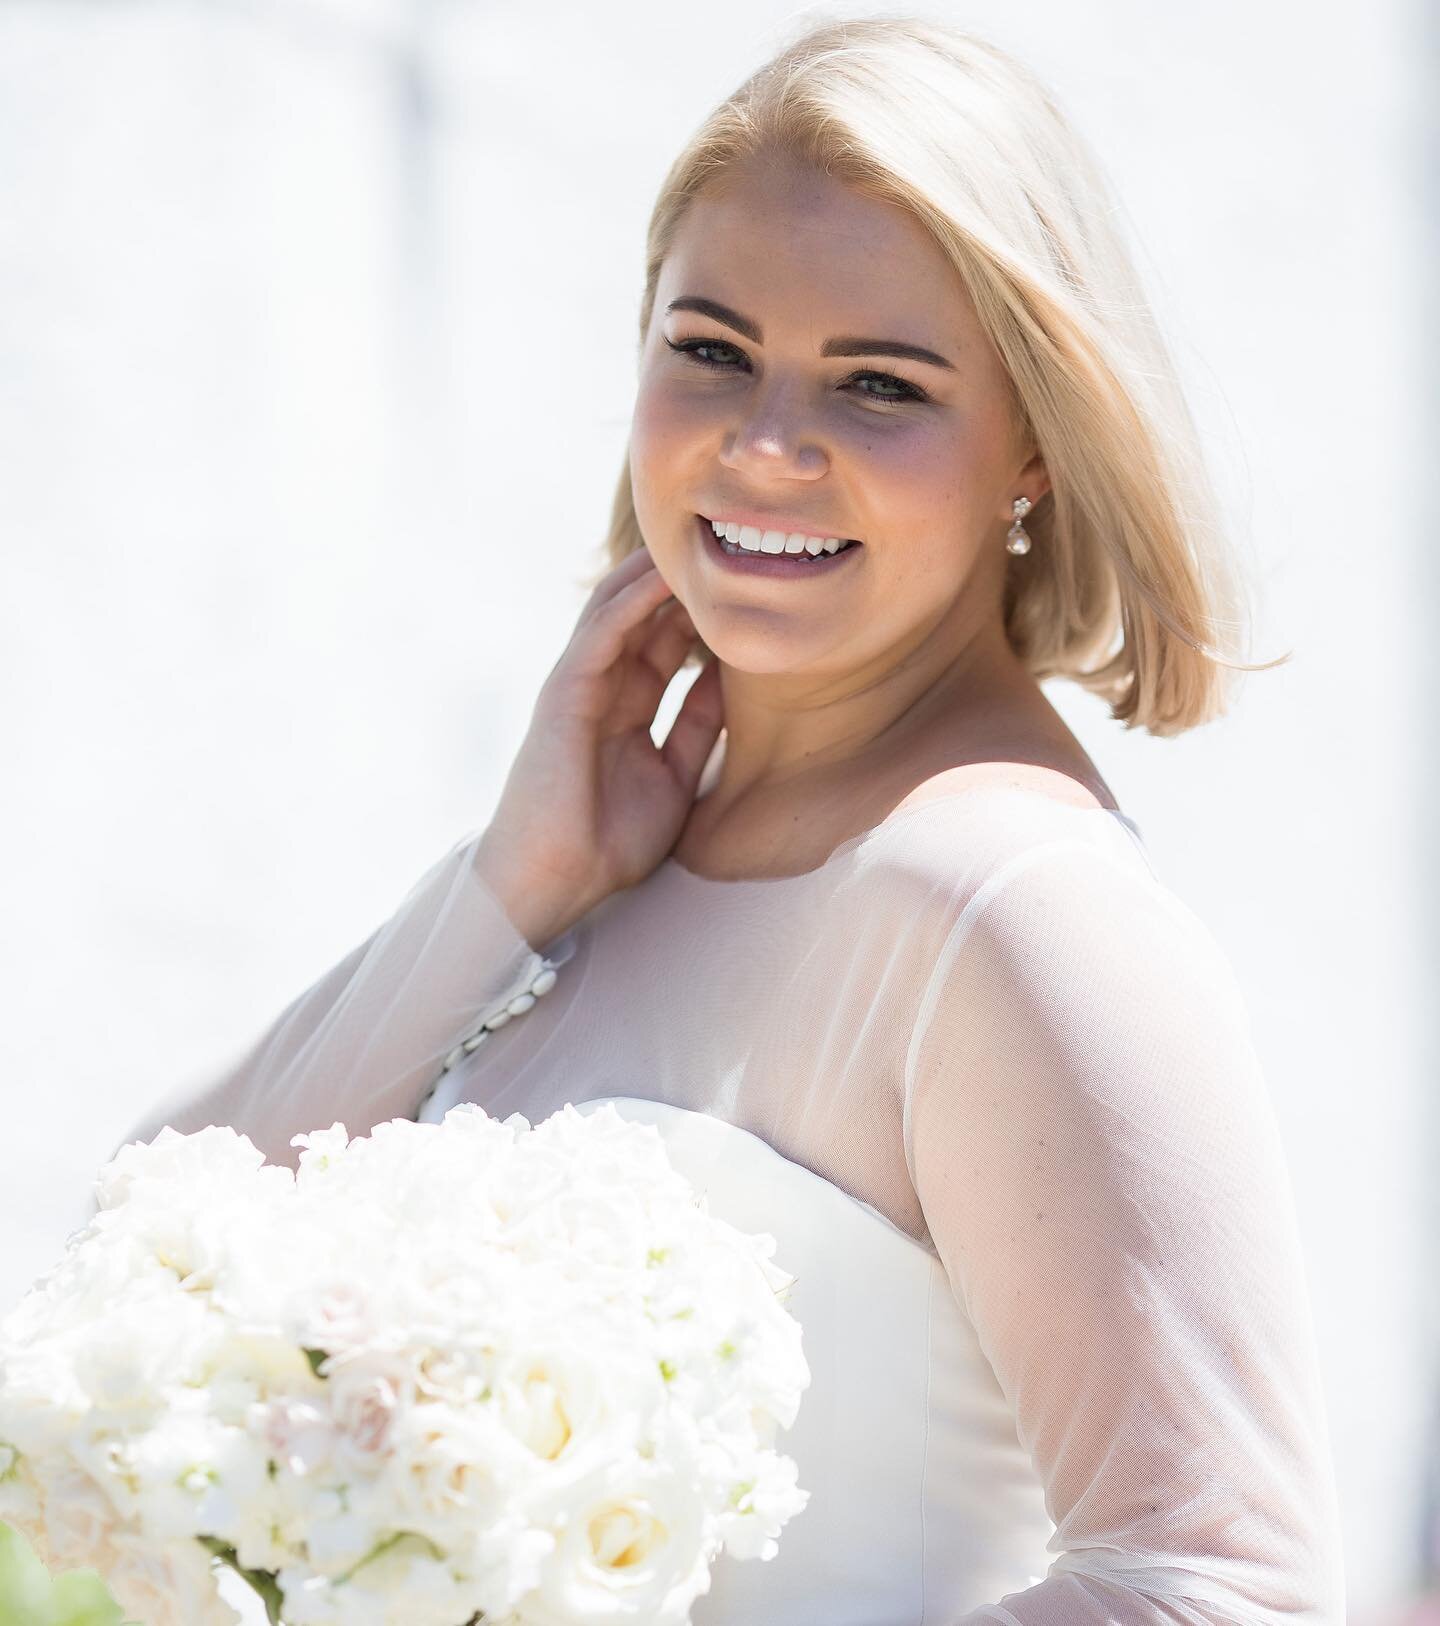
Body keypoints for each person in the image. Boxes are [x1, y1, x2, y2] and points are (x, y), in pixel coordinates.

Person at [105, 16, 1346, 1622]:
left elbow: (1223, 1585)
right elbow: (148, 1262)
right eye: (711, 350)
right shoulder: (595, 866)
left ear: (1033, 448)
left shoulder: (1021, 904)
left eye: (879, 384)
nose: (766, 447)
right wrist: (508, 882)